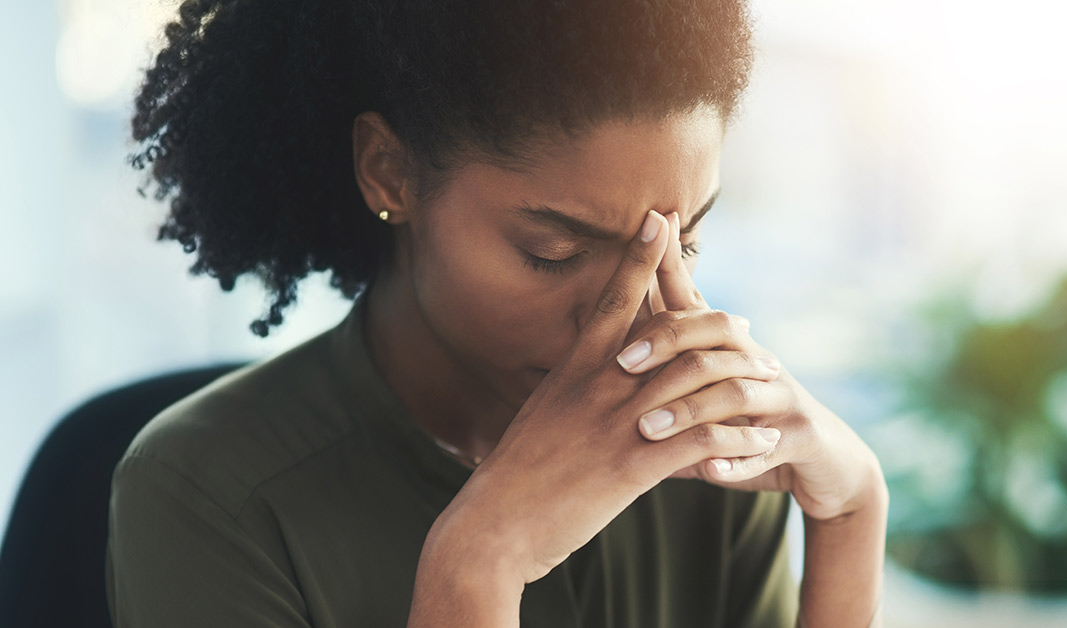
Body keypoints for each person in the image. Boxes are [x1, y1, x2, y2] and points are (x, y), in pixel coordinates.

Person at [105, 0, 888, 626]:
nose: (641, 316)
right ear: (390, 173)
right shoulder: (208, 498)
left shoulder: (701, 456)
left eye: (684, 239)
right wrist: (474, 570)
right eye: (554, 251)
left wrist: (853, 513)